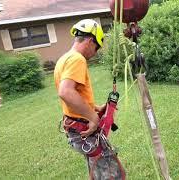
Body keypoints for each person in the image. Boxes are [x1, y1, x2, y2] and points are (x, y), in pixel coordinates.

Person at [54, 19, 125, 180]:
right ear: (89, 40)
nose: (96, 52)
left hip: (75, 128)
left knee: (98, 170)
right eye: (97, 47)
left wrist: (94, 108)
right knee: (111, 175)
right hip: (83, 130)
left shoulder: (64, 59)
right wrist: (93, 118)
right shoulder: (77, 59)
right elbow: (65, 92)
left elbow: (75, 94)